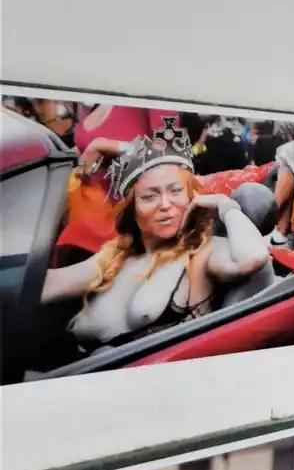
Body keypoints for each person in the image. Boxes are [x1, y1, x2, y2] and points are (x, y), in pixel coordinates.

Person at [39, 125, 270, 350]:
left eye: (176, 191)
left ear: (192, 197)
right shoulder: (114, 257)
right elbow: (44, 286)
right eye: (150, 197)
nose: (165, 205)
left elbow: (253, 259)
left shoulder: (202, 253)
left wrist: (225, 205)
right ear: (133, 211)